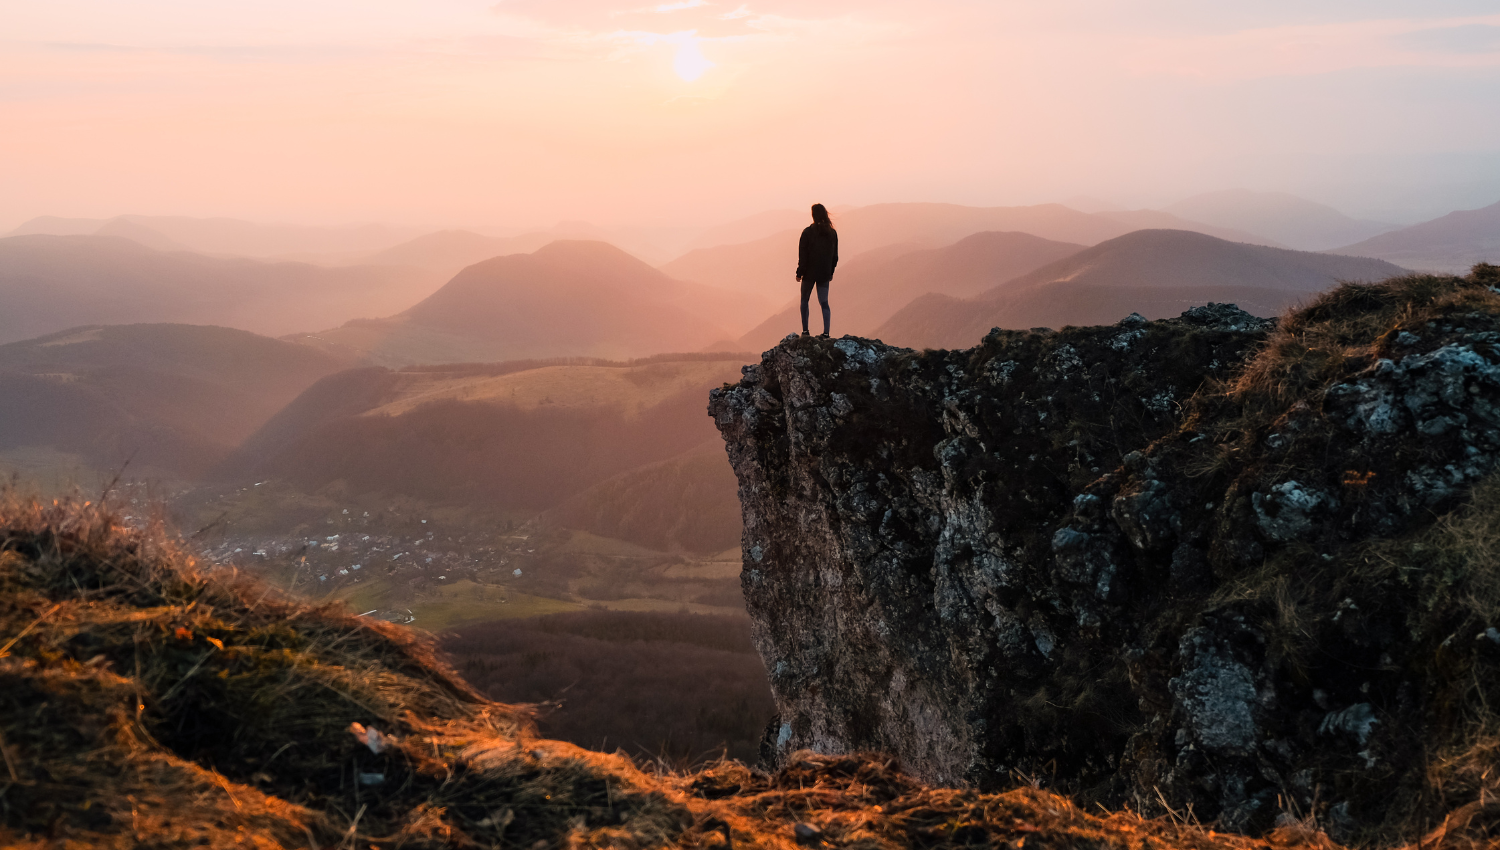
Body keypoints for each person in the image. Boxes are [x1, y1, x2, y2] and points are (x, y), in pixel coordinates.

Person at [796, 204, 838, 338]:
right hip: (824, 273)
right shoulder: (832, 233)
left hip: (809, 273)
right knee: (824, 302)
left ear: (813, 215)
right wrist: (830, 272)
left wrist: (799, 272)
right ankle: (826, 333)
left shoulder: (807, 232)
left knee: (804, 300)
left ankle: (805, 331)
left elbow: (803, 255)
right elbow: (835, 256)